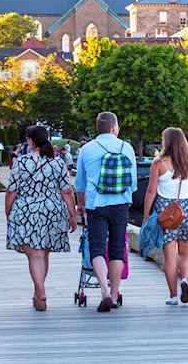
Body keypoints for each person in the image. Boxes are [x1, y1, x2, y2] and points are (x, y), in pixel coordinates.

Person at [5, 125, 77, 311]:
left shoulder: (21, 162)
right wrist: (72, 215)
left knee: (35, 254)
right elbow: (67, 191)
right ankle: (38, 294)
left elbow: (12, 190)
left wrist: (8, 211)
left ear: (30, 141)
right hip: (52, 211)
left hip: (27, 211)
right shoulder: (58, 162)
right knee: (43, 253)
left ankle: (40, 290)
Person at [74, 111, 137, 312]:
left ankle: (104, 292)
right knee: (118, 249)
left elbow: (80, 184)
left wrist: (80, 204)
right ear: (113, 128)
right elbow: (133, 184)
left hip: (96, 204)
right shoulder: (126, 148)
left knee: (97, 248)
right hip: (120, 205)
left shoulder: (86, 149)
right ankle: (116, 293)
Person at [143, 127, 188, 305]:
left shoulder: (159, 163)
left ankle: (173, 296)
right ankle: (184, 279)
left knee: (170, 256)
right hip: (187, 210)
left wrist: (146, 215)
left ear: (166, 141)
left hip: (167, 213)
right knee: (186, 253)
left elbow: (151, 191)